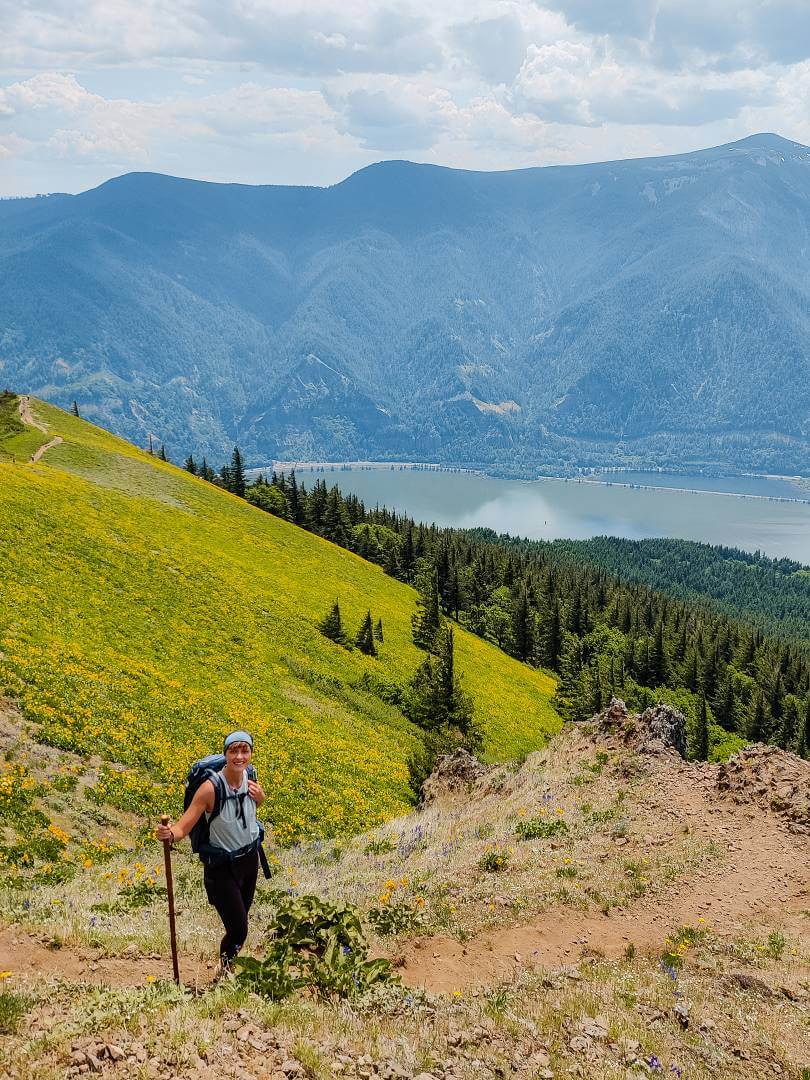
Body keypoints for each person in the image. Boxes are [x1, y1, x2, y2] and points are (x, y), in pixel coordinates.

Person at [157, 729, 266, 978]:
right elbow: (185, 826)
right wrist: (170, 834)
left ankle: (226, 963)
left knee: (240, 921)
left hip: (250, 860)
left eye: (245, 750)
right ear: (225, 754)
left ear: (250, 753)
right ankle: (224, 969)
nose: (239, 756)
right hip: (221, 867)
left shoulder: (250, 777)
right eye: (233, 751)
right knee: (239, 929)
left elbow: (252, 807)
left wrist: (261, 797)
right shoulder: (210, 789)